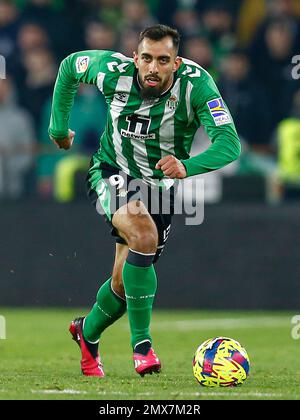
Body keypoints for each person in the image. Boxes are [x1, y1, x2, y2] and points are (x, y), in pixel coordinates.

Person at [48, 24, 241, 377]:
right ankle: (143, 348)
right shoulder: (112, 71)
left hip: (162, 188)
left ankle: (86, 333)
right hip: (111, 170)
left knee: (124, 284)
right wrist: (59, 129)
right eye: (147, 58)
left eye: (163, 60)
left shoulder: (197, 85)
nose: (153, 68)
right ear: (136, 58)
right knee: (143, 236)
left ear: (176, 63)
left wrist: (187, 165)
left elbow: (229, 144)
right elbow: (69, 67)